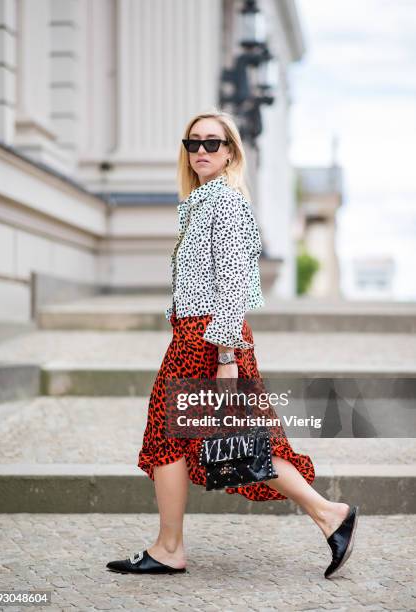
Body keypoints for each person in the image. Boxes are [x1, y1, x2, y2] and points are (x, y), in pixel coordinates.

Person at [106, 109, 359, 579]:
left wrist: (224, 356)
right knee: (219, 439)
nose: (201, 151)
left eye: (212, 143)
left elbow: (235, 283)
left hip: (209, 341)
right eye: (193, 143)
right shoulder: (203, 202)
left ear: (230, 152)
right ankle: (327, 515)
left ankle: (171, 547)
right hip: (194, 336)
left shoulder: (226, 202)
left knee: (182, 438)